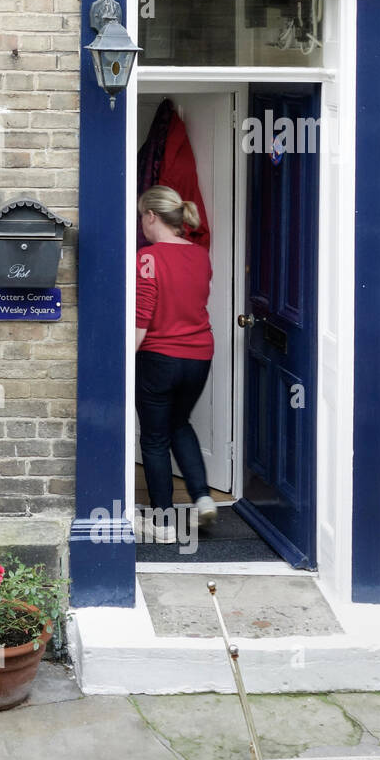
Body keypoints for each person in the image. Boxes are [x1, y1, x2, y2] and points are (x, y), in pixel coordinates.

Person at [134, 185, 216, 544]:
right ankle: (201, 497)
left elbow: (143, 316)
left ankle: (162, 523)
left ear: (151, 216)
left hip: (158, 357)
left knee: (154, 438)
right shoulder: (200, 255)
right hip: (199, 355)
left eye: (142, 217)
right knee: (179, 423)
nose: (142, 224)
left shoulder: (148, 257)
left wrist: (125, 359)